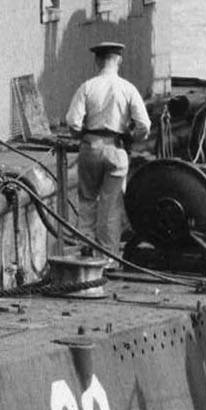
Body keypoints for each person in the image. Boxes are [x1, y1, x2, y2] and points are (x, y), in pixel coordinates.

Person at [61, 37, 153, 267]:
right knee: (111, 206)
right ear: (118, 61)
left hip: (90, 147)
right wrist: (132, 137)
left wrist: (81, 135)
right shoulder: (128, 88)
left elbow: (72, 121)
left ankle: (87, 253)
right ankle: (110, 259)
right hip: (117, 149)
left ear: (97, 61)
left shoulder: (87, 87)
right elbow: (145, 125)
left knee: (87, 201)